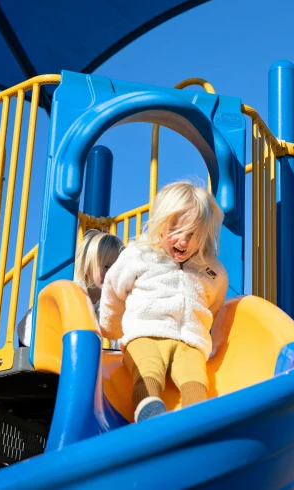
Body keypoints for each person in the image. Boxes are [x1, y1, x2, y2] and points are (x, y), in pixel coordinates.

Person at [99, 181, 228, 423]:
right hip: (145, 333)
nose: (184, 242)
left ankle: (196, 422)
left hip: (189, 341)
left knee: (196, 378)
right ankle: (148, 413)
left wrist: (203, 328)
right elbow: (113, 291)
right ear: (160, 225)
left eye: (193, 235)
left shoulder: (210, 270)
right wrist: (111, 328)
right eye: (176, 231)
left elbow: (214, 303)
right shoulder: (140, 255)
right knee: (148, 370)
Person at [17, 230, 124, 347]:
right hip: (31, 341)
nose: (111, 273)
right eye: (106, 266)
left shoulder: (111, 300)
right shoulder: (72, 291)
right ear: (87, 268)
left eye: (116, 268)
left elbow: (117, 330)